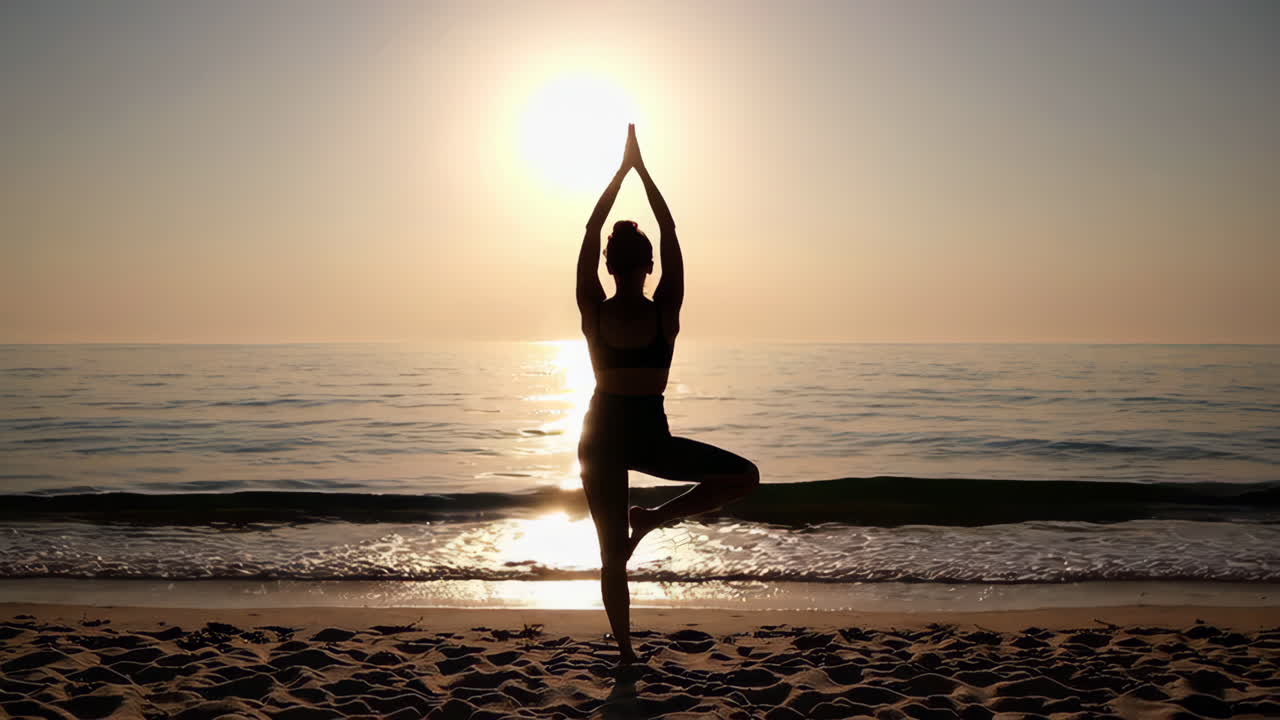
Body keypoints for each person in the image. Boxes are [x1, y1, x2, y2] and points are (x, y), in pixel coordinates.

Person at [575, 124, 760, 666]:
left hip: (606, 436)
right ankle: (656, 524)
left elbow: (590, 229)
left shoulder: (593, 310)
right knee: (744, 478)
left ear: (610, 265)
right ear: (648, 265)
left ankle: (628, 650)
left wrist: (621, 173)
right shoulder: (666, 310)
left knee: (612, 555)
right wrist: (641, 171)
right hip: (631, 440)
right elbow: (670, 227)